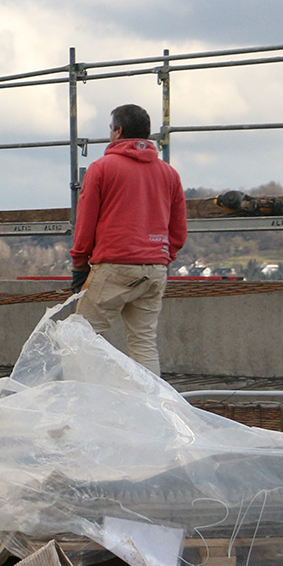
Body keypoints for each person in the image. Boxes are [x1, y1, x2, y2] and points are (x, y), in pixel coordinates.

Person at [70, 103, 188, 373]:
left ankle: (81, 403)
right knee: (144, 342)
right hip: (155, 269)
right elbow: (178, 229)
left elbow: (85, 224)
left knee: (81, 338)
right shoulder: (169, 173)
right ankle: (153, 407)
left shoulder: (101, 168)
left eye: (111, 128)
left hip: (114, 267)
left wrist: (79, 264)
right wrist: (164, 255)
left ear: (118, 131)